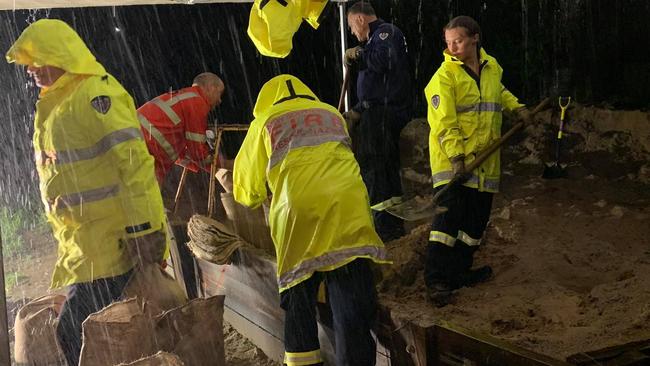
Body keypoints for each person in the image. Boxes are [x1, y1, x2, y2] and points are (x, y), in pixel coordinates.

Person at [6, 19, 167, 365]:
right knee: (91, 334)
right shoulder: (58, 102)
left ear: (60, 56)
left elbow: (135, 166)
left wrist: (144, 230)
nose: (30, 70)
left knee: (75, 331)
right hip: (86, 245)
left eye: (37, 59)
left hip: (112, 244)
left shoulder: (95, 95)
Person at [233, 74, 389, 366]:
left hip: (298, 215)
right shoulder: (331, 113)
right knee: (351, 301)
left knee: (299, 303)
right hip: (348, 207)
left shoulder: (264, 121)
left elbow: (246, 192)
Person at [423, 16, 532, 307]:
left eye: (457, 41)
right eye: (448, 43)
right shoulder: (444, 77)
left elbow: (498, 92)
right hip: (453, 162)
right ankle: (436, 280)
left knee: (474, 225)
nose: (452, 47)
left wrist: (517, 108)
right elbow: (444, 123)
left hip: (485, 164)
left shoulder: (491, 67)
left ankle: (459, 272)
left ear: (474, 38)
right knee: (447, 223)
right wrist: (457, 159)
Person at [343, 1, 413, 242]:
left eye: (351, 25)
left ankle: (386, 228)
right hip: (375, 112)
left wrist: (359, 54)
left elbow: (384, 62)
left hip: (384, 114)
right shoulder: (374, 41)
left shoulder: (386, 33)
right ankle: (388, 224)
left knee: (375, 167)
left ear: (360, 19)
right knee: (378, 168)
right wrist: (358, 109)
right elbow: (375, 86)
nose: (352, 32)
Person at [137, 72, 225, 185]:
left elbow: (182, 154)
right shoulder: (197, 103)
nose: (219, 100)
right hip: (142, 151)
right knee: (144, 198)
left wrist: (212, 169)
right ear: (211, 88)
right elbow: (197, 152)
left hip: (134, 146)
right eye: (220, 93)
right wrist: (223, 164)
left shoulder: (183, 99)